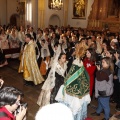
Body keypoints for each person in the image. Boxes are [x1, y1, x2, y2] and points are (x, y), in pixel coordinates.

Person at [55, 41, 91, 120]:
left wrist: (66, 82)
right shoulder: (81, 63)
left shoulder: (75, 63)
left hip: (74, 90)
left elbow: (71, 74)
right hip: (82, 88)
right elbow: (86, 76)